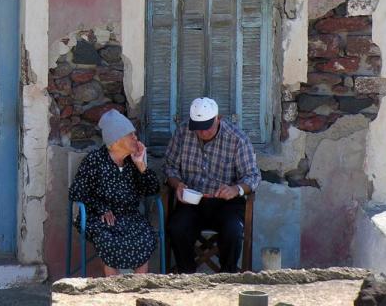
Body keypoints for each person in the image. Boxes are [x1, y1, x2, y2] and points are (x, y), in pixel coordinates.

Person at [164, 97, 261, 273]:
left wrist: (236, 189)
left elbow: (253, 176)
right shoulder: (182, 132)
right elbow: (169, 167)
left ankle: (227, 276)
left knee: (233, 231)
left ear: (219, 118)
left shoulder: (237, 139)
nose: (202, 132)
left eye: (207, 126)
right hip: (191, 202)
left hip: (225, 203)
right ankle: (187, 275)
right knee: (177, 227)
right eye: (198, 128)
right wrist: (177, 184)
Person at [69, 109, 160, 276]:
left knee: (145, 236)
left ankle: (139, 291)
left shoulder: (132, 162)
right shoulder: (95, 160)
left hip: (129, 216)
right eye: (130, 135)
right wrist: (101, 208)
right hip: (99, 217)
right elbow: (77, 192)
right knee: (108, 240)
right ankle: (113, 294)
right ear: (116, 140)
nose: (135, 138)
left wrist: (141, 166)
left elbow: (152, 190)